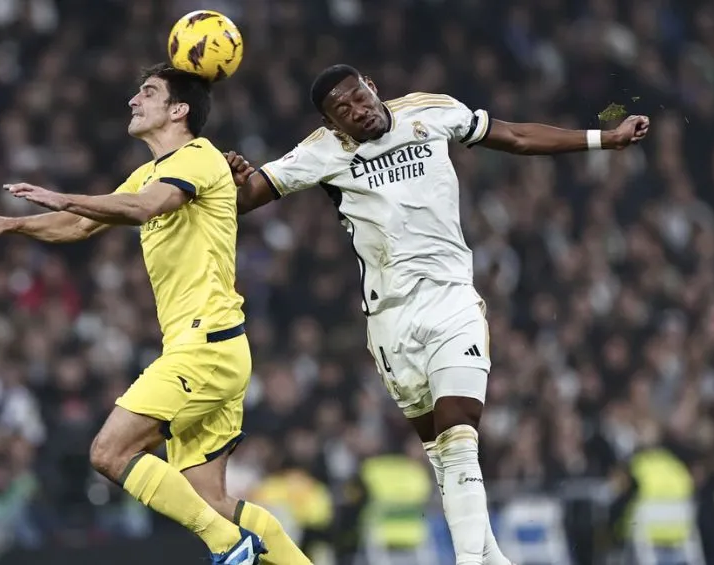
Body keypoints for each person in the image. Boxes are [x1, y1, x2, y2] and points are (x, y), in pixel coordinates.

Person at [228, 63, 650, 565]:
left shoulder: (431, 111)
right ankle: (489, 558)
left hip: (452, 300)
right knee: (442, 457)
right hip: (390, 320)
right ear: (331, 122)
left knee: (459, 434)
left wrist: (606, 138)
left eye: (358, 97)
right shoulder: (321, 151)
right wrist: (232, 179)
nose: (356, 111)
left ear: (372, 87)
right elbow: (247, 198)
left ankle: (470, 561)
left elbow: (514, 137)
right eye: (341, 111)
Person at [0, 63, 311, 565]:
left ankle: (227, 545)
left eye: (147, 92)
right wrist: (10, 225)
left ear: (179, 109)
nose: (133, 100)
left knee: (110, 452)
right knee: (211, 502)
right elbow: (77, 226)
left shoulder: (198, 156)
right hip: (214, 347)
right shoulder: (150, 173)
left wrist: (62, 195)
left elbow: (146, 208)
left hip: (205, 345)